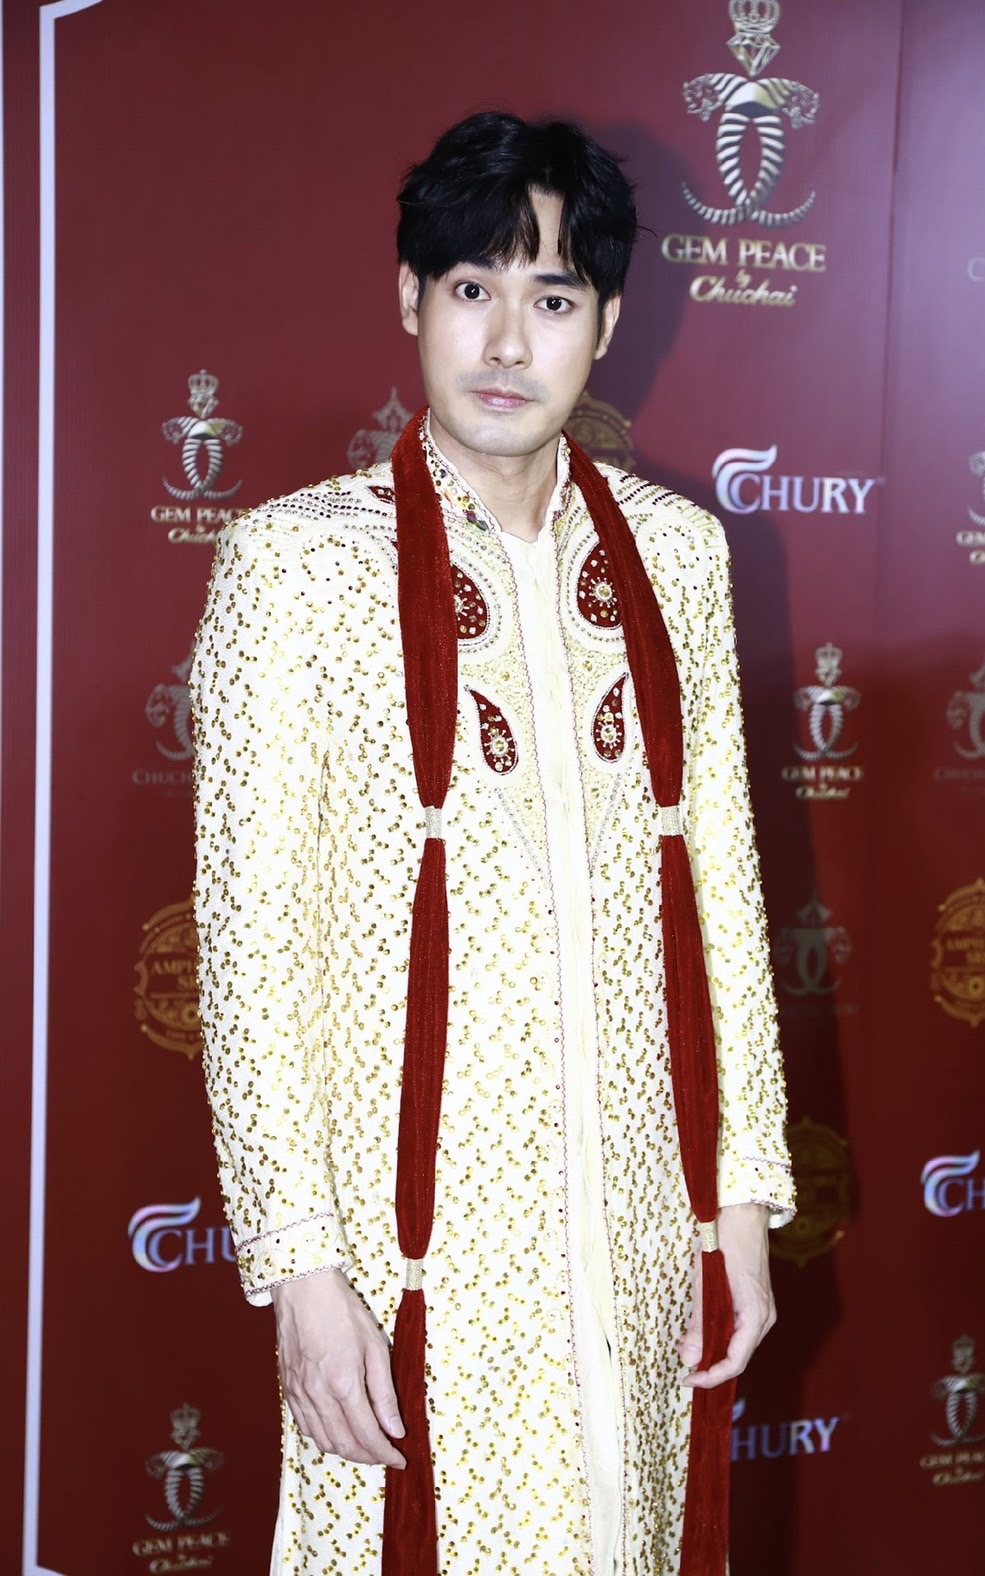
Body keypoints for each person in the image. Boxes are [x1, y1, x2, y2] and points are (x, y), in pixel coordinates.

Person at [192, 110, 794, 1576]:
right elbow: (248, 950)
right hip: (414, 1256)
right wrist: (300, 1270)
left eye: (553, 297)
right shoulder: (294, 566)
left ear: (608, 322)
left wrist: (740, 1197)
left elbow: (721, 885)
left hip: (641, 1225)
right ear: (410, 298)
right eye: (471, 288)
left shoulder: (679, 557)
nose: (509, 341)